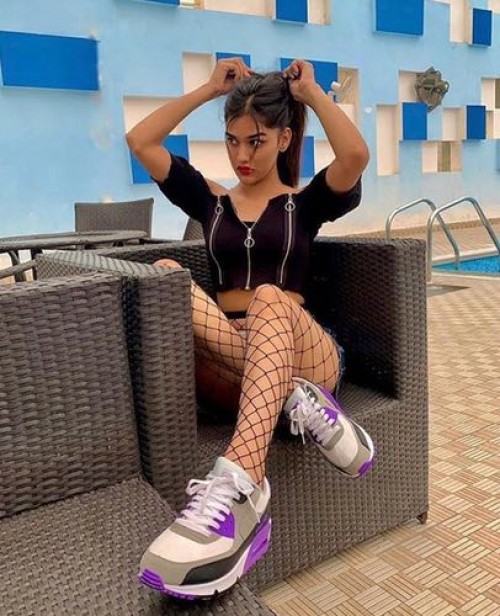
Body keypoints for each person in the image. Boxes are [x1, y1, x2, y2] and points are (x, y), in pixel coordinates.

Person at [126, 57, 374, 600]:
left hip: (303, 350)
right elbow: (140, 141)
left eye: (256, 141)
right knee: (166, 273)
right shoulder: (210, 201)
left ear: (283, 139)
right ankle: (299, 405)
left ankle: (239, 486)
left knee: (268, 297)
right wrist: (208, 90)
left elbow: (356, 155)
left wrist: (311, 95)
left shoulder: (304, 205)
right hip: (231, 364)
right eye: (232, 141)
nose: (242, 155)